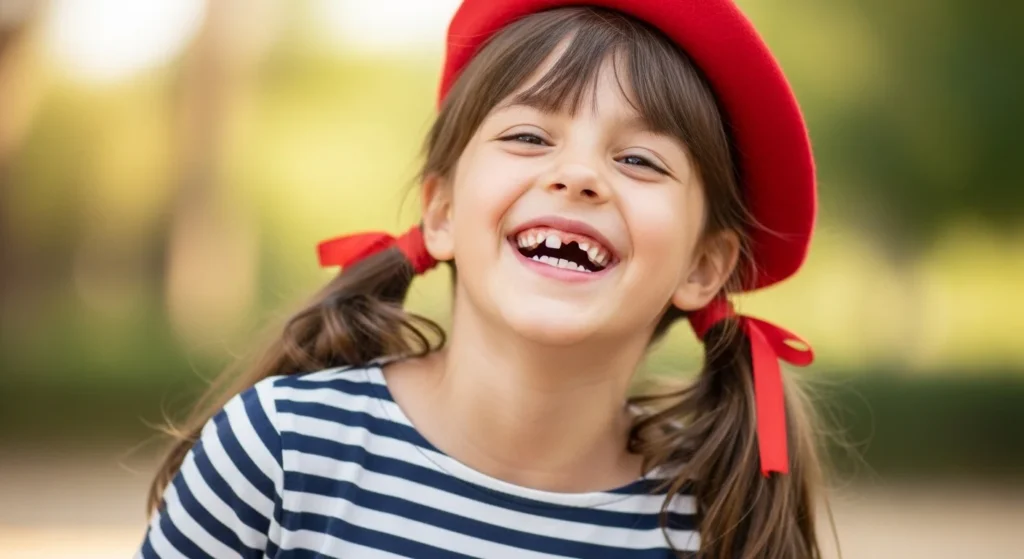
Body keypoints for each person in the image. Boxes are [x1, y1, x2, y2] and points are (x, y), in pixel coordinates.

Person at [138, 1, 828, 557]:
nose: (579, 175)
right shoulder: (282, 450)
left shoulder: (712, 532)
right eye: (529, 137)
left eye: (641, 160)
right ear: (439, 211)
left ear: (704, 266)